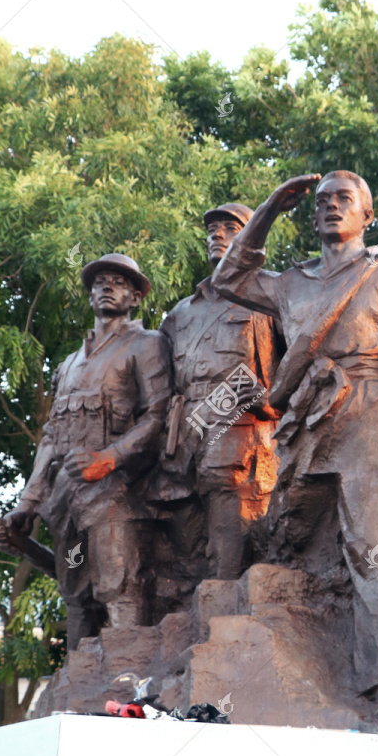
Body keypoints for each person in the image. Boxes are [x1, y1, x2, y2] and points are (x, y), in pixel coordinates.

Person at [213, 171, 378, 724]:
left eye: (344, 200)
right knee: (287, 543)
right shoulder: (291, 283)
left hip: (372, 419)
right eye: (321, 201)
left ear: (368, 215)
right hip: (307, 427)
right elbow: (230, 277)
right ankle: (299, 672)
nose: (329, 207)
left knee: (373, 552)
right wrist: (271, 206)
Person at [0, 253, 172, 650]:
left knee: (118, 586)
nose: (107, 287)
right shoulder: (69, 365)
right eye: (99, 281)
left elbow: (157, 417)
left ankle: (130, 683)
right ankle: (78, 684)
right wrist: (28, 504)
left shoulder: (146, 345)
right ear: (90, 294)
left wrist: (107, 458)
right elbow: (51, 438)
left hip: (117, 497)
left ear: (135, 297)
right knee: (76, 591)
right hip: (67, 507)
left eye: (119, 282)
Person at [157, 203, 283, 580]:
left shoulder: (271, 295)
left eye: (230, 227)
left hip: (243, 443)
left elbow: (303, 367)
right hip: (185, 446)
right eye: (212, 228)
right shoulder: (181, 313)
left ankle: (227, 628)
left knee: (235, 549)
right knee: (187, 557)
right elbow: (160, 386)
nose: (217, 234)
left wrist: (267, 399)